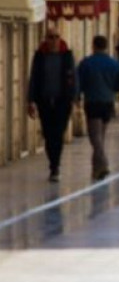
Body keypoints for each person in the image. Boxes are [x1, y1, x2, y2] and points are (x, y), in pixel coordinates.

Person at [27, 28, 77, 182]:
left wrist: (74, 97)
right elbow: (34, 78)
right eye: (51, 37)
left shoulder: (67, 56)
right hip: (44, 101)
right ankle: (53, 163)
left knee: (58, 133)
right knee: (48, 135)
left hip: (63, 101)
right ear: (46, 39)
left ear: (60, 39)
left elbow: (74, 77)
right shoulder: (40, 56)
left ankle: (55, 166)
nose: (54, 40)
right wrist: (30, 100)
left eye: (56, 37)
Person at [76, 35, 119, 181]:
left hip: (93, 102)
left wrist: (77, 97)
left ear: (93, 46)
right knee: (101, 135)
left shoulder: (86, 63)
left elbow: (79, 82)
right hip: (108, 102)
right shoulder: (114, 64)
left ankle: (103, 164)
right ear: (106, 46)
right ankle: (96, 170)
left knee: (95, 137)